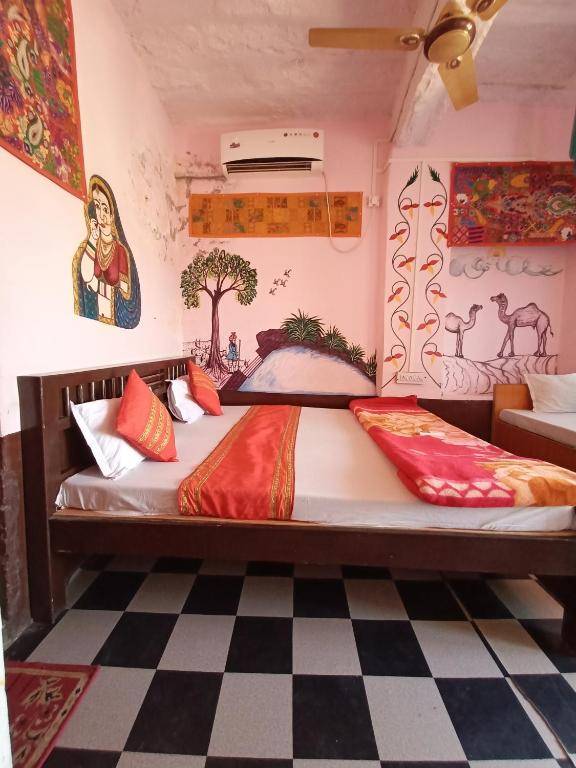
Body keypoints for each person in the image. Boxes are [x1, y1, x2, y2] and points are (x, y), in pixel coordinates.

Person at [73, 175, 141, 328]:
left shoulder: (120, 251)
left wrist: (97, 286)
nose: (101, 215)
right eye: (97, 207)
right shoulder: (91, 244)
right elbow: (85, 277)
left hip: (113, 317)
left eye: (105, 209)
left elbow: (124, 292)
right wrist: (92, 238)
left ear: (112, 216)